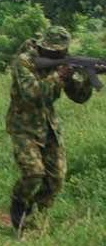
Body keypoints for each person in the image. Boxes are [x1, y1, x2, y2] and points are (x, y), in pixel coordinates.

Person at [6, 27, 92, 230]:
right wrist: (59, 76)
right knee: (34, 173)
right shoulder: (24, 61)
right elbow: (32, 95)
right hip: (23, 126)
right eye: (52, 52)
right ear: (43, 47)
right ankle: (19, 203)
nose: (56, 55)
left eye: (60, 52)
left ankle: (35, 216)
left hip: (49, 127)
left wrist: (85, 76)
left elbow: (79, 97)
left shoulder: (64, 62)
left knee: (57, 178)